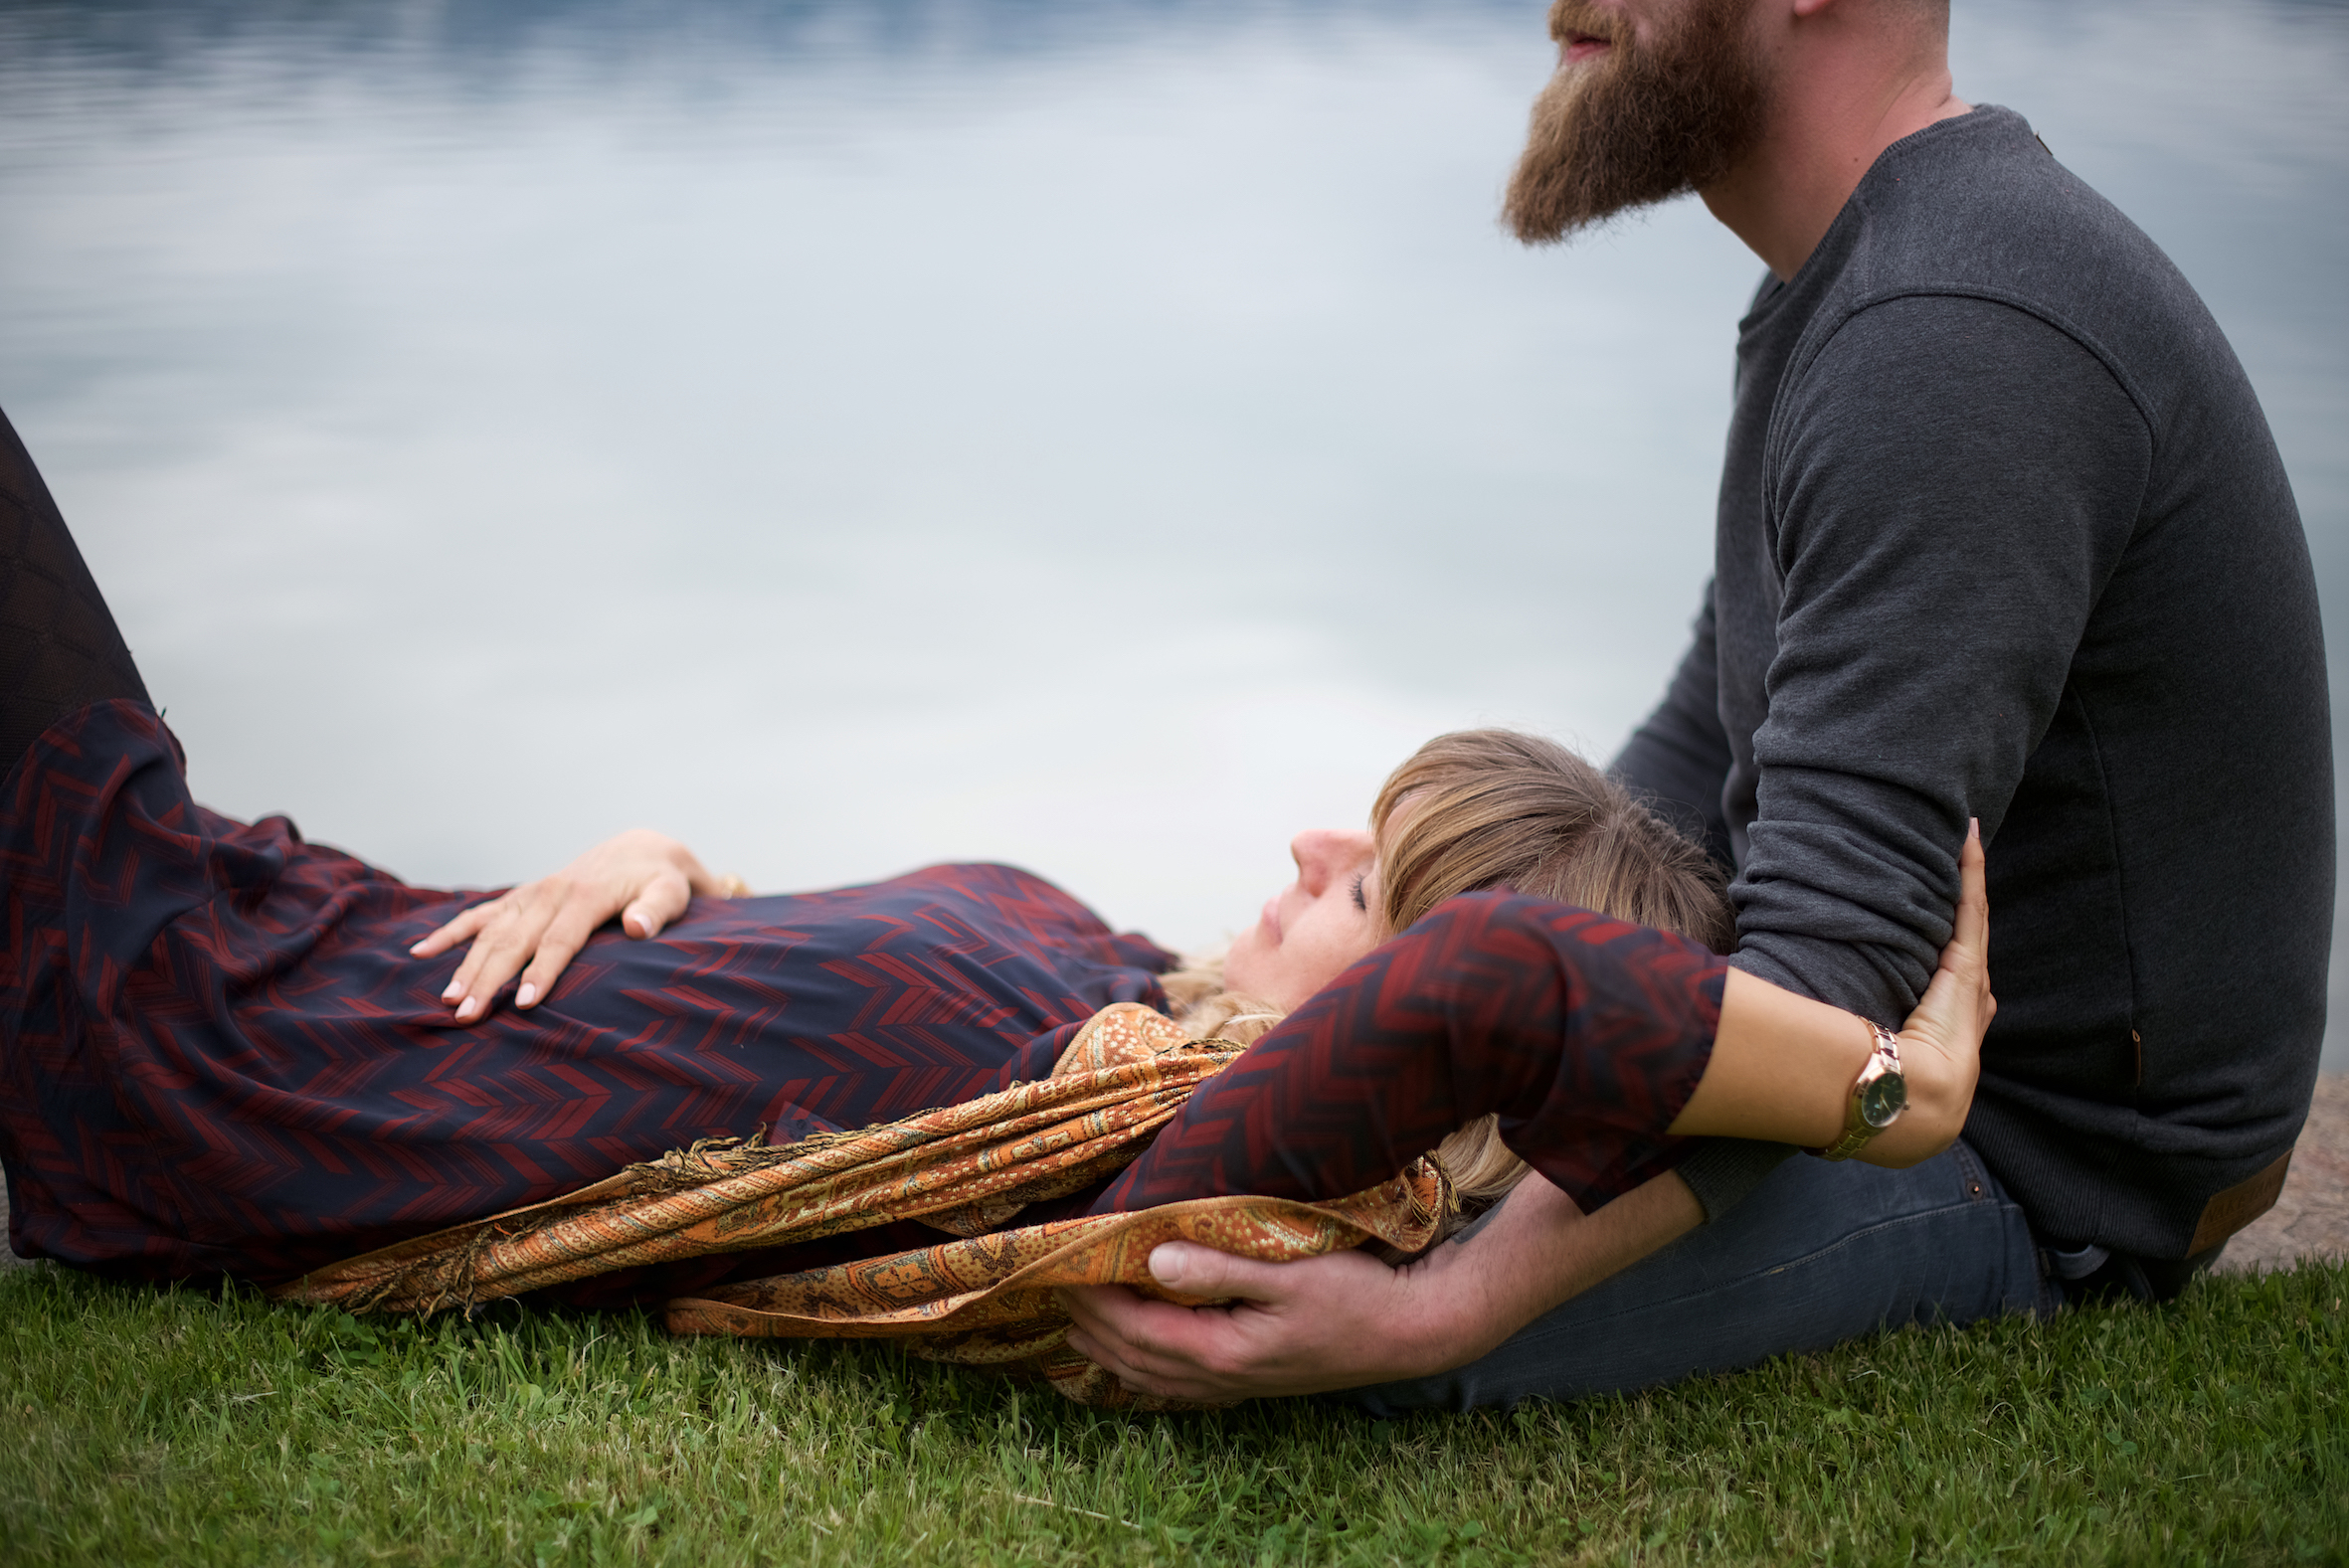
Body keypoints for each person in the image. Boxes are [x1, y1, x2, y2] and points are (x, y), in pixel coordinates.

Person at [1, 403, 1994, 1303]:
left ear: (1419, 1036)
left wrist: (1888, 1098)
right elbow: (760, 1009)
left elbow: (1523, 987)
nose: (1306, 839)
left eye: (1366, 880)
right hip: (293, 920)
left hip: (194, 1031)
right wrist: (670, 854)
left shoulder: (1162, 1144)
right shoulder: (1114, 980)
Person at [1060, 0, 2330, 1407]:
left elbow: (1822, 995)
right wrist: (1436, 963)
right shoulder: (1844, 284)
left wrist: (1443, 1312)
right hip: (1862, 1051)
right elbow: (1690, 762)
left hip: (2040, 1161)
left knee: (1277, 1282)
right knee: (1295, 1095)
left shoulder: (1951, 337)